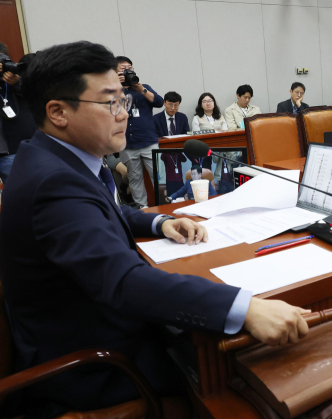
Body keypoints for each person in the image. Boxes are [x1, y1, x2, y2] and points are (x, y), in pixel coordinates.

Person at [0, 41, 310, 417]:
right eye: (110, 102)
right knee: (245, 373)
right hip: (95, 365)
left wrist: (159, 221)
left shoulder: (52, 158)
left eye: (124, 101)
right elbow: (124, 282)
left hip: (91, 328)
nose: (124, 114)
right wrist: (243, 308)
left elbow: (104, 212)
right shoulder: (53, 184)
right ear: (58, 112)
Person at [116, 56, 164, 209]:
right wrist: (115, 85)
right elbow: (108, 109)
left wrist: (141, 89)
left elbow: (159, 102)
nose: (127, 71)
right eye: (123, 68)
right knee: (135, 178)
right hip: (128, 144)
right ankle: (142, 209)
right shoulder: (112, 90)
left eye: (130, 67)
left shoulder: (144, 87)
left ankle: (164, 204)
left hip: (148, 141)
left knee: (159, 176)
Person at [0, 49, 38, 184]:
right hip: (7, 152)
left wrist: (17, 82)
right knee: (20, 190)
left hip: (31, 146)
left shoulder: (15, 81)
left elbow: (37, 97)